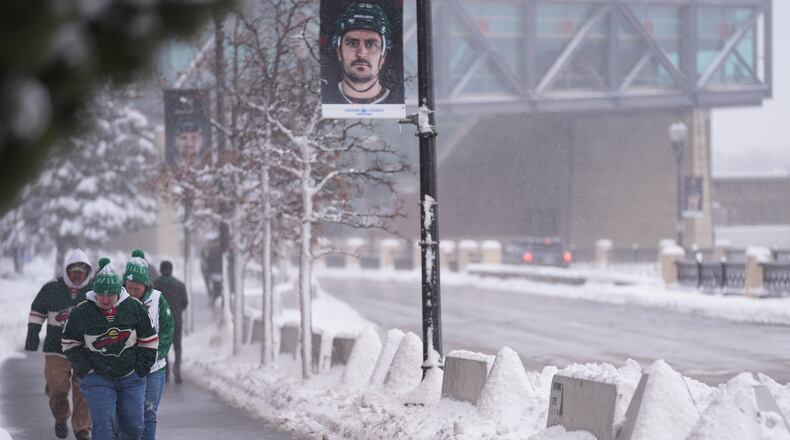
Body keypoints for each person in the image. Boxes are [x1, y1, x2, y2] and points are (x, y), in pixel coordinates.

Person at [62, 258, 158, 440]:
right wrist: (85, 369)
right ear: (94, 292)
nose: (105, 300)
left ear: (118, 292)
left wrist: (141, 369)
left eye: (110, 295)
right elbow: (69, 343)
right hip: (97, 377)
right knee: (104, 427)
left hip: (131, 377)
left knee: (134, 426)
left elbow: (149, 339)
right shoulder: (82, 312)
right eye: (100, 295)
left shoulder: (133, 307)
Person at [25, 248, 94, 440]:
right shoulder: (51, 288)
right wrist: (32, 337)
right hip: (57, 348)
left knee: (84, 389)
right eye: (74, 271)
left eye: (82, 272)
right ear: (67, 271)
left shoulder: (94, 290)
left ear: (88, 272)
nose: (77, 276)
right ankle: (61, 418)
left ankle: (82, 428)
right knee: (56, 388)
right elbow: (37, 312)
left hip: (84, 350)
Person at [123, 250, 173, 440]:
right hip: (125, 369)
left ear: (146, 284)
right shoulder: (118, 299)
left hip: (154, 368)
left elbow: (168, 329)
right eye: (129, 287)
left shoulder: (158, 299)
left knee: (148, 412)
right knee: (128, 415)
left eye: (137, 288)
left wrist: (157, 353)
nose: (132, 292)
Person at [324, 2, 399, 104]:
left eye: (371, 44)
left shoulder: (398, 102)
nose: (361, 53)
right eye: (352, 43)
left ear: (383, 56)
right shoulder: (323, 100)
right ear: (339, 52)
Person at [154, 260, 188, 384]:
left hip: (162, 320)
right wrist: (177, 311)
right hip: (177, 318)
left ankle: (166, 371)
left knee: (164, 345)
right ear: (171, 270)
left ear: (161, 270)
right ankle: (177, 366)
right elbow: (185, 302)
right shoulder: (180, 284)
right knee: (177, 345)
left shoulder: (156, 284)